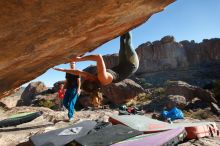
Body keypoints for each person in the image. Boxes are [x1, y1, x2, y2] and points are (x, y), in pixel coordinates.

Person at [53, 31, 139, 92]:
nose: (86, 77)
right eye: (87, 79)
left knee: (122, 43)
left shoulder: (93, 78)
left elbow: (78, 72)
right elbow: (98, 57)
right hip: (132, 64)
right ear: (93, 81)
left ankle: (126, 27)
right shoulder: (103, 78)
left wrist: (62, 70)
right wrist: (79, 59)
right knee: (127, 43)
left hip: (123, 63)